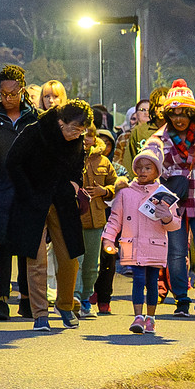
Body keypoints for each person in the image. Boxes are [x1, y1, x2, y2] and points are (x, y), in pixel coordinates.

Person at [2, 101, 94, 332]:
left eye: (81, 131)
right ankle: (40, 313)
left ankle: (65, 305)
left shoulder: (77, 140)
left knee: (70, 258)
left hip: (63, 203)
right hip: (33, 203)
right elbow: (13, 162)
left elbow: (78, 166)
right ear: (61, 121)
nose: (77, 135)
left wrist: (75, 185)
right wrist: (28, 192)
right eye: (74, 129)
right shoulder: (35, 132)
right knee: (36, 260)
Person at [140, 80, 195, 317]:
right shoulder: (158, 138)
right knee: (175, 252)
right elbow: (152, 167)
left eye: (184, 112)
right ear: (167, 114)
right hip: (171, 202)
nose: (179, 118)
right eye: (173, 113)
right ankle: (181, 299)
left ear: (192, 112)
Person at [0, 64, 38, 319]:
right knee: (1, 246)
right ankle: (2, 300)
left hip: (27, 191)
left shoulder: (36, 119)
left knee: (26, 246)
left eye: (13, 93)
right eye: (3, 94)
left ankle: (26, 299)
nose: (8, 99)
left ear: (22, 91)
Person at [105, 151, 179, 335]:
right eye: (139, 168)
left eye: (148, 168)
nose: (142, 171)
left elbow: (175, 225)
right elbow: (115, 219)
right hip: (133, 246)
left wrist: (167, 217)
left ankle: (151, 318)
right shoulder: (125, 193)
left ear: (157, 171)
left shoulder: (164, 195)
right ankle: (138, 317)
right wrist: (108, 239)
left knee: (152, 281)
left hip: (155, 246)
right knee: (138, 280)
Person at [76, 128, 124, 319]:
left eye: (89, 135)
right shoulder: (70, 156)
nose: (86, 140)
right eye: (82, 135)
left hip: (96, 218)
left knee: (92, 264)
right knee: (75, 262)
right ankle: (75, 298)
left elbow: (116, 184)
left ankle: (87, 298)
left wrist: (103, 191)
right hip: (74, 217)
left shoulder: (104, 161)